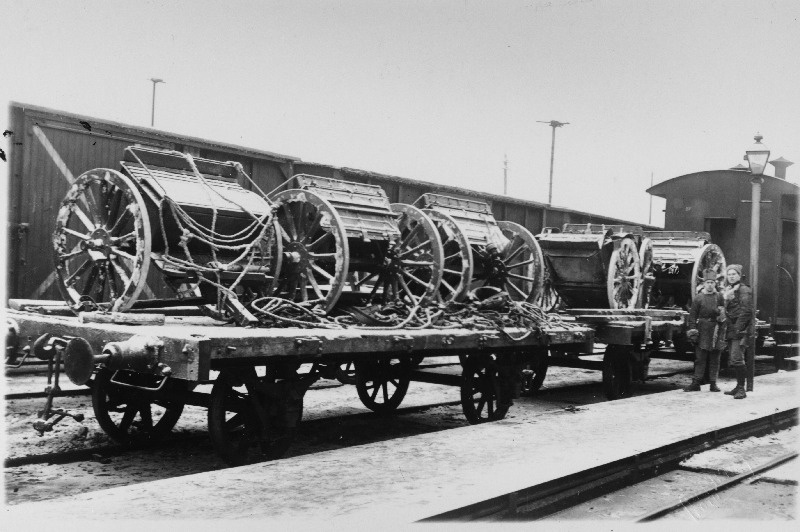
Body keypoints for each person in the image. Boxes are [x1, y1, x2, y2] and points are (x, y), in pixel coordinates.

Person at [684, 269, 726, 392]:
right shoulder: (698, 298)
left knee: (715, 358)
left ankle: (713, 383)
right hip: (702, 330)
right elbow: (692, 316)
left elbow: (723, 315)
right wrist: (693, 331)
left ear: (715, 283)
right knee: (700, 358)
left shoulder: (719, 297)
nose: (710, 284)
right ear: (704, 283)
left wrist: (721, 316)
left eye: (712, 282)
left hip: (716, 330)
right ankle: (696, 383)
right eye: (707, 282)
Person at [722, 264, 755, 399]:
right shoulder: (730, 290)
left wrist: (738, 328)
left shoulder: (743, 290)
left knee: (737, 358)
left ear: (739, 276)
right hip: (731, 329)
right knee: (734, 359)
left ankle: (742, 389)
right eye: (729, 274)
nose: (731, 277)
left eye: (733, 274)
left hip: (740, 330)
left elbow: (746, 311)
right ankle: (738, 386)